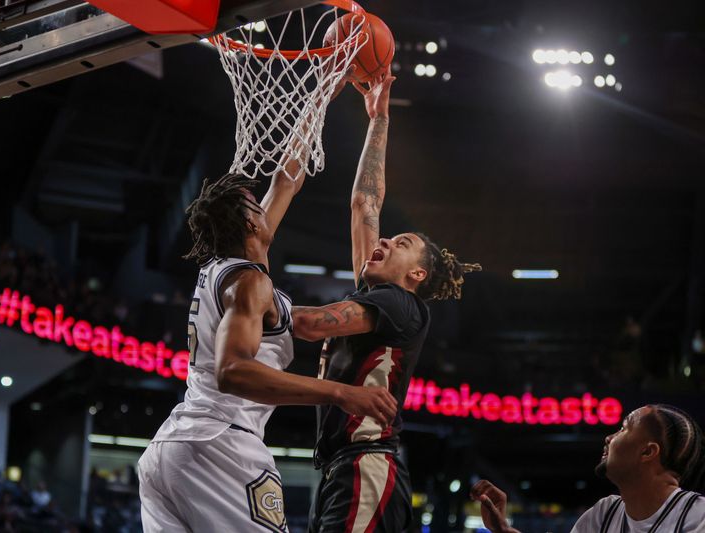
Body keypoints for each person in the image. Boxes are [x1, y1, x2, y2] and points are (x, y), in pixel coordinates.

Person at [138, 71, 398, 533]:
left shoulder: (228, 267)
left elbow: (287, 178)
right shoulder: (248, 281)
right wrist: (343, 392)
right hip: (220, 444)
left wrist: (322, 94)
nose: (264, 201)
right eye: (254, 204)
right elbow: (233, 370)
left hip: (170, 451)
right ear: (251, 225)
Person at [290, 69, 481, 532]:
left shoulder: (401, 304)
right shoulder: (379, 293)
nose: (388, 238)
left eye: (402, 242)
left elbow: (312, 324)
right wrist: (378, 116)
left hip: (367, 466)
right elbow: (365, 202)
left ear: (416, 274)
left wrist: (246, 298)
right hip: (347, 467)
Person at [471, 404, 705, 532]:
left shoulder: (698, 516)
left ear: (647, 452)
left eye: (624, 429)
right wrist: (503, 529)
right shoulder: (604, 513)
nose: (609, 438)